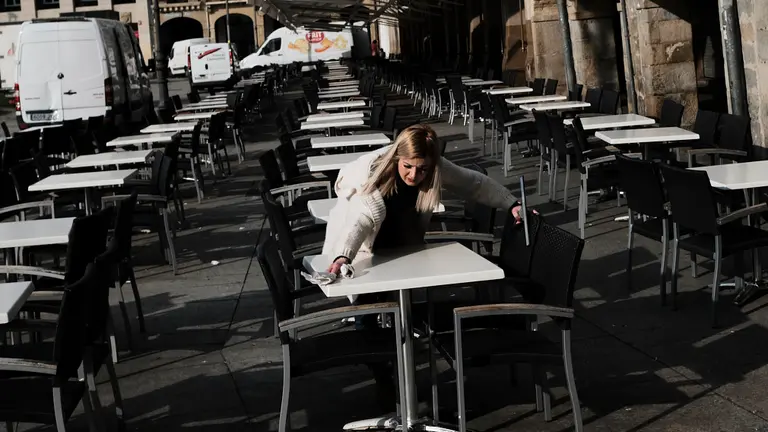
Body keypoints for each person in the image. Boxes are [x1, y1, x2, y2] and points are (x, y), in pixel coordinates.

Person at [323, 124, 526, 277]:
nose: (413, 174)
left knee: (405, 292)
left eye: (422, 169)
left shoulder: (436, 167)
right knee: (367, 301)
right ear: (397, 158)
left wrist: (512, 204)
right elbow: (360, 221)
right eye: (408, 166)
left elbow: (474, 183)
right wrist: (344, 255)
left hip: (404, 244)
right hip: (362, 246)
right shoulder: (374, 175)